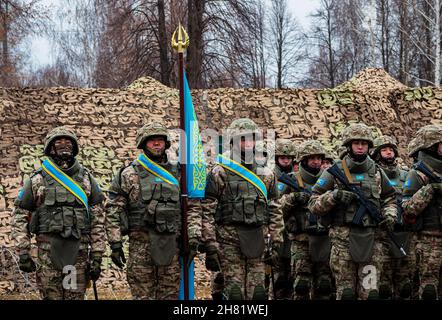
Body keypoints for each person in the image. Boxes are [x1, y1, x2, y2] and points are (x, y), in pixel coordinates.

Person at [105, 122, 201, 299]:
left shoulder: (180, 173)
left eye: (160, 140)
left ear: (166, 143)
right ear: (143, 143)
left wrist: (193, 238)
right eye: (152, 140)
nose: (157, 144)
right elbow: (113, 210)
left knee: (170, 296)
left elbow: (192, 207)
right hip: (141, 247)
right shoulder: (128, 174)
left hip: (171, 245)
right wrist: (115, 243)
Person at [13, 126, 106, 300]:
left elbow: (98, 219)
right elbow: (20, 215)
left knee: (74, 297)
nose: (64, 145)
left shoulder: (86, 179)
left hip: (77, 254)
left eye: (68, 141)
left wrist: (97, 255)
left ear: (74, 146)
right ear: (51, 147)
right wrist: (23, 252)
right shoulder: (37, 179)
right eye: (59, 141)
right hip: (48, 254)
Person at [308, 123, 398, 299]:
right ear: (348, 145)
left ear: (369, 146)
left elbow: (390, 199)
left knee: (370, 293)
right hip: (343, 241)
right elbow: (313, 204)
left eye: (364, 143)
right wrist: (334, 196)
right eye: (356, 143)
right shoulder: (334, 172)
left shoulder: (377, 172)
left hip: (372, 241)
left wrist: (390, 214)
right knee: (346, 293)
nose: (360, 146)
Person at [201, 118, 283, 300]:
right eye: (242, 139)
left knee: (258, 294)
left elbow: (275, 209)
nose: (247, 144)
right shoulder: (219, 171)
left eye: (251, 139)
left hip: (258, 239)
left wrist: (277, 241)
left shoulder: (266, 173)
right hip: (228, 240)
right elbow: (207, 210)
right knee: (234, 294)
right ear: (233, 141)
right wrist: (210, 244)